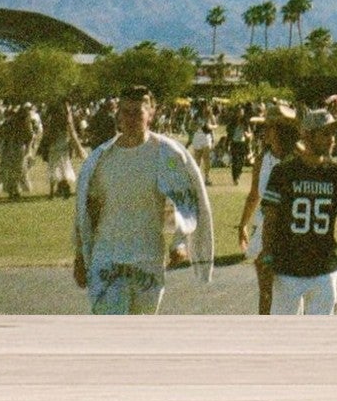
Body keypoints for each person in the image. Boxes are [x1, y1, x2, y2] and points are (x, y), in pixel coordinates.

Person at [71, 85, 213, 314]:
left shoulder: (165, 155)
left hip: (147, 260)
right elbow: (88, 210)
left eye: (137, 113)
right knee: (109, 329)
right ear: (118, 115)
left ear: (151, 114)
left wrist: (179, 242)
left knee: (140, 330)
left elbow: (184, 201)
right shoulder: (101, 159)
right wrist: (80, 255)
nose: (130, 119)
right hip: (107, 259)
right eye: (125, 112)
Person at [260, 108, 337, 314]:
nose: (331, 139)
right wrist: (267, 258)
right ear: (307, 136)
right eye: (325, 133)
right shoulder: (283, 172)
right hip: (288, 269)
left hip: (324, 269)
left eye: (333, 134)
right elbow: (270, 220)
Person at [236, 106, 299, 315]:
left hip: (293, 232)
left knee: (292, 291)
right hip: (265, 230)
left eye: (269, 127)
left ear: (282, 130)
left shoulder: (299, 159)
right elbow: (254, 194)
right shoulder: (263, 159)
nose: (264, 132)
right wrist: (243, 225)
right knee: (266, 292)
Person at [0, 100, 40, 200]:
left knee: (12, 169)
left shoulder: (11, 121)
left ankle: (12, 190)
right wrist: (29, 148)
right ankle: (16, 190)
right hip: (19, 147)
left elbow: (0, 131)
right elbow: (30, 135)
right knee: (18, 170)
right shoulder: (25, 122)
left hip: (10, 147)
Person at [42, 98, 84, 200]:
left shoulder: (51, 121)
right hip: (63, 144)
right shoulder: (65, 119)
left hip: (54, 145)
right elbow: (71, 132)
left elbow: (47, 133)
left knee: (53, 167)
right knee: (64, 167)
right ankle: (65, 188)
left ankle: (52, 192)